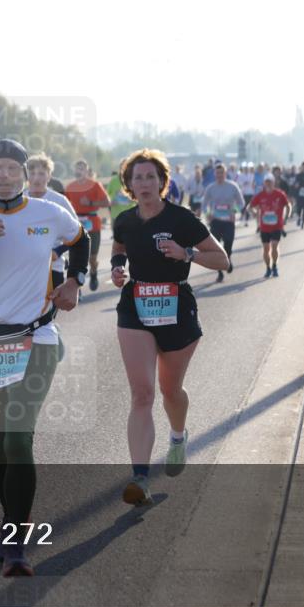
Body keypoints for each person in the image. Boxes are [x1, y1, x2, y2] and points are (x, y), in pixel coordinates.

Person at [0, 138, 90, 576]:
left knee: (17, 438)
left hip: (37, 337)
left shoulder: (48, 213)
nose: (4, 175)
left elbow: (81, 239)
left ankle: (15, 542)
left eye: (12, 168)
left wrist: (75, 282)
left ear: (26, 174)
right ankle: (13, 519)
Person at [110, 149, 228, 505]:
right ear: (128, 185)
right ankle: (140, 478)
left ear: (163, 182)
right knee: (142, 393)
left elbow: (222, 258)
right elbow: (119, 245)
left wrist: (187, 254)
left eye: (150, 177)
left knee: (170, 391)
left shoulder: (182, 219)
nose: (144, 183)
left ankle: (178, 436)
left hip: (177, 308)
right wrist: (117, 268)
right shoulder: (125, 220)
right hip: (136, 307)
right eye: (137, 178)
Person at [27, 153, 79, 289]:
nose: (36, 178)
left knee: (50, 308)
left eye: (41, 174)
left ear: (49, 176)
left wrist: (59, 250)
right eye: (32, 173)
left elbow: (78, 233)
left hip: (53, 266)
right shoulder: (18, 199)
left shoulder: (59, 201)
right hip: (24, 268)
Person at [64, 159, 111, 291]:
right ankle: (76, 286)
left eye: (82, 168)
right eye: (77, 168)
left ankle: (94, 273)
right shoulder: (69, 187)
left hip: (92, 222)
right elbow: (64, 207)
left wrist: (90, 203)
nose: (79, 171)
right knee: (75, 256)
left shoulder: (95, 185)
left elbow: (107, 202)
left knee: (92, 257)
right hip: (76, 223)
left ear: (86, 171)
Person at [201, 163, 245, 283]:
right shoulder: (210, 188)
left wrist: (234, 211)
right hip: (215, 221)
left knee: (228, 243)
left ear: (225, 174)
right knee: (216, 247)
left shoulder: (233, 186)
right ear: (215, 174)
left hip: (229, 221)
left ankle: (228, 258)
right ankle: (220, 272)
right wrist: (208, 213)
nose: (219, 175)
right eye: (217, 173)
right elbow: (204, 204)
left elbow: (241, 203)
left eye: (222, 173)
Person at [248, 174, 291, 278]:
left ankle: (275, 265)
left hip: (276, 226)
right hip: (264, 227)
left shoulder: (280, 194)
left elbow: (288, 205)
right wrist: (253, 213)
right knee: (266, 249)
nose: (268, 183)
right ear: (264, 183)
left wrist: (286, 218)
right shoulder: (260, 195)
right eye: (266, 181)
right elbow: (250, 206)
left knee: (274, 246)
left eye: (270, 181)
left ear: (273, 183)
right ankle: (268, 267)